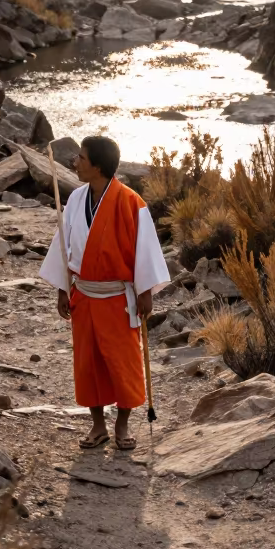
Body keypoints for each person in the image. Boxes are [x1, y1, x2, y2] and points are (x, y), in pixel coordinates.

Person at [39, 135, 170, 451]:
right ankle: (98, 426)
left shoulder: (130, 203)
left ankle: (122, 425)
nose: (76, 163)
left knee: (122, 363)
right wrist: (62, 287)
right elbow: (64, 245)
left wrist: (146, 291)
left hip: (117, 299)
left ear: (97, 166)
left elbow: (144, 251)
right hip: (83, 295)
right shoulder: (74, 201)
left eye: (81, 158)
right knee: (88, 364)